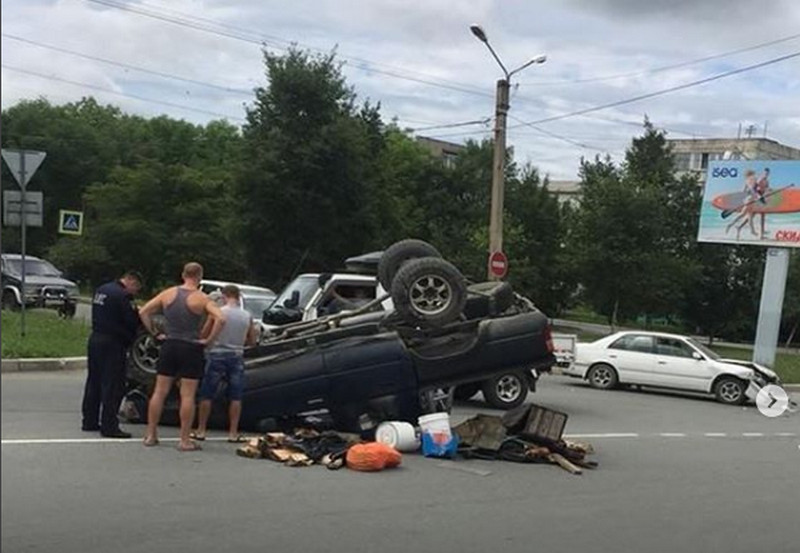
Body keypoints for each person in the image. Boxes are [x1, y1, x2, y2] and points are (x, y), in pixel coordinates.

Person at [138, 262, 225, 451]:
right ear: (199, 276)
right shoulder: (201, 298)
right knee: (187, 395)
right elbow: (221, 318)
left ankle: (151, 434)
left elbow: (143, 311)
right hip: (191, 347)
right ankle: (184, 439)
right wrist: (209, 340)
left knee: (160, 391)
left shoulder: (168, 294)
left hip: (170, 344)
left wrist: (154, 333)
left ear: (183, 274)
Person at [191, 285, 258, 443]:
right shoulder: (246, 315)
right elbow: (252, 341)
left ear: (223, 295)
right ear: (238, 295)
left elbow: (204, 333)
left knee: (207, 393)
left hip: (216, 354)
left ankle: (201, 430)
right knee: (236, 396)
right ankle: (233, 432)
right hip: (237, 355)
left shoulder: (219, 313)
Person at [81, 270, 143, 438]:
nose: (135, 292)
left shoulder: (102, 289)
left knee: (94, 381)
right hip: (113, 343)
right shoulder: (123, 296)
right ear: (131, 281)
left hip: (96, 339)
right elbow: (131, 321)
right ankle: (109, 426)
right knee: (113, 385)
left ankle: (89, 420)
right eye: (136, 288)